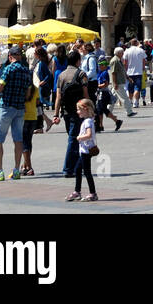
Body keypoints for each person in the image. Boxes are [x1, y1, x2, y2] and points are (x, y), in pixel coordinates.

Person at [0, 46, 32, 181]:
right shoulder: (26, 71)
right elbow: (28, 93)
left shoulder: (8, 69)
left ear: (10, 56)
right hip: (20, 108)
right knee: (18, 139)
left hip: (6, 106)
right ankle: (16, 170)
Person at [52, 50, 88, 178]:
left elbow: (58, 97)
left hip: (66, 111)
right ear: (78, 61)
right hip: (79, 112)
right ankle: (68, 169)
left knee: (74, 138)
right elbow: (85, 95)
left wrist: (56, 114)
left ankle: (78, 166)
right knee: (74, 139)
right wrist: (89, 110)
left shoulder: (61, 75)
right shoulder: (82, 74)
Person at [66, 98, 98, 202]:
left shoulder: (88, 121)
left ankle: (92, 193)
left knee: (87, 172)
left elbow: (89, 135)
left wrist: (80, 137)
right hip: (84, 151)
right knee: (78, 170)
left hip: (86, 151)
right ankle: (77, 192)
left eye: (79, 109)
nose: (77, 111)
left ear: (85, 109)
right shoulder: (87, 120)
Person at [122, 38, 147, 111]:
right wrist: (143, 69)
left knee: (130, 88)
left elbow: (125, 63)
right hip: (138, 72)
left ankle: (130, 101)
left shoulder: (127, 51)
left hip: (129, 72)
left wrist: (125, 71)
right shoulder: (141, 50)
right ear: (136, 43)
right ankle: (135, 102)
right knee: (137, 88)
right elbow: (144, 61)